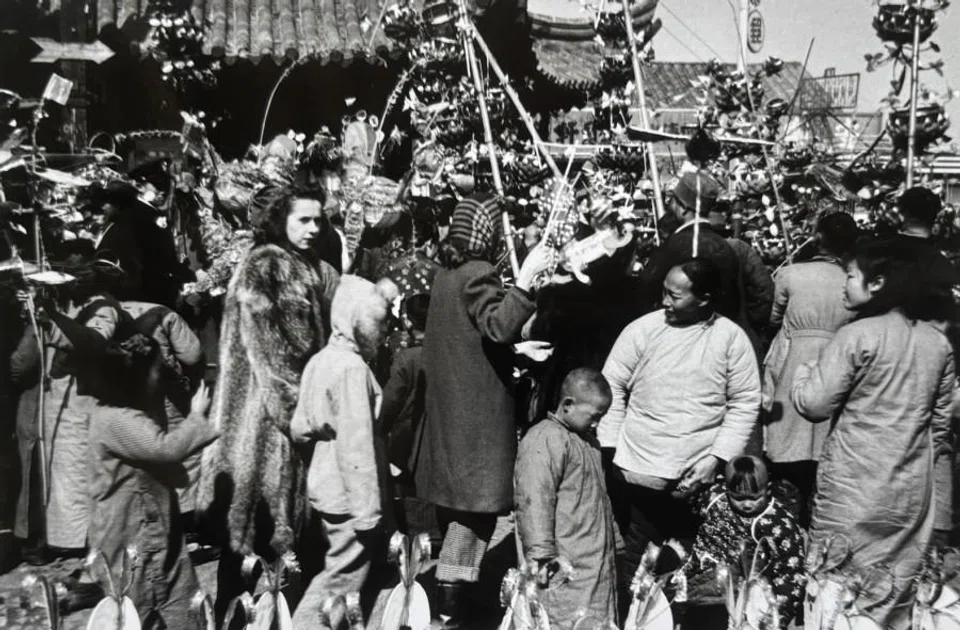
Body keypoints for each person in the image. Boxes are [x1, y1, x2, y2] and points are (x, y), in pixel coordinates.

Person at [792, 239, 955, 629]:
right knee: (891, 601)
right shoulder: (937, 343)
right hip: (908, 495)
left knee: (835, 594)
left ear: (877, 282)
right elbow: (940, 431)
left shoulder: (858, 336)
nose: (843, 284)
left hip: (852, 488)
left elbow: (814, 404)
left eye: (850, 275)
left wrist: (803, 374)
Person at [413, 193, 558, 629]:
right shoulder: (479, 272)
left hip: (452, 411)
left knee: (461, 510)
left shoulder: (446, 273)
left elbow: (471, 337)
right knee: (471, 517)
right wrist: (527, 279)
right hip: (474, 419)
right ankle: (451, 611)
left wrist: (514, 351)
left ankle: (453, 603)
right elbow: (497, 323)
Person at [196, 187, 341, 621]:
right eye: (303, 220)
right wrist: (306, 419)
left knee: (254, 543)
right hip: (264, 427)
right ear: (281, 221)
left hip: (265, 423)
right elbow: (277, 359)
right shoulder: (271, 265)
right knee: (261, 540)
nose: (314, 229)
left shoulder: (301, 264)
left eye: (319, 220)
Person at [598, 259, 760, 597]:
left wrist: (716, 459)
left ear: (703, 298)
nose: (666, 303)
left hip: (699, 480)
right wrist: (613, 449)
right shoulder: (642, 330)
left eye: (675, 296)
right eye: (664, 294)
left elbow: (745, 402)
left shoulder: (730, 338)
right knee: (634, 569)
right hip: (639, 473)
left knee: (692, 572)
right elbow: (611, 385)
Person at [88, 336, 219, 628]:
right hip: (140, 541)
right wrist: (197, 417)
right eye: (158, 370)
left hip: (152, 532)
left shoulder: (115, 414)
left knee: (180, 598)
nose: (163, 376)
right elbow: (165, 449)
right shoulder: (118, 420)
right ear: (135, 380)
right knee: (148, 605)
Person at [290, 275, 396, 630]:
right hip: (350, 496)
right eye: (379, 324)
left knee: (336, 574)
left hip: (326, 486)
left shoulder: (322, 360)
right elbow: (356, 447)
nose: (383, 333)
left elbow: (300, 427)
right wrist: (368, 512)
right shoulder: (351, 370)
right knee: (340, 583)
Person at [12, 257, 126, 563]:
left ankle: (85, 540)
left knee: (80, 472)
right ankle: (64, 538)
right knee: (62, 473)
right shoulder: (68, 303)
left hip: (85, 399)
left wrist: (50, 315)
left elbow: (91, 343)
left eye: (77, 275)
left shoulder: (104, 306)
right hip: (59, 401)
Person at [762, 211, 858, 527]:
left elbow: (774, 318)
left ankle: (786, 515)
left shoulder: (790, 274)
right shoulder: (853, 282)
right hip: (836, 357)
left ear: (817, 238)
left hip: (792, 356)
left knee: (787, 435)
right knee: (825, 436)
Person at [515, 368, 617, 628]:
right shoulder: (544, 438)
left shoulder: (589, 443)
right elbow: (534, 498)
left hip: (594, 559)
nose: (597, 424)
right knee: (563, 618)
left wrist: (615, 540)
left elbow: (601, 497)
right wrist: (540, 553)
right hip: (563, 563)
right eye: (594, 416)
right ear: (568, 405)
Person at [682, 456, 805, 630]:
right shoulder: (715, 500)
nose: (747, 504)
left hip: (753, 594)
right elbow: (693, 507)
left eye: (755, 498)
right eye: (738, 498)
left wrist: (776, 616)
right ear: (726, 489)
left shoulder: (778, 523)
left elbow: (790, 572)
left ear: (768, 489)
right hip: (710, 587)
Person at [120, 301, 205, 517]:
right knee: (183, 449)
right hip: (165, 393)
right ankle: (184, 511)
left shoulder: (103, 307)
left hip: (122, 393)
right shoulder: (162, 313)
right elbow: (192, 354)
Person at [640, 171, 744, 327]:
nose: (670, 204)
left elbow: (646, 292)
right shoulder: (724, 246)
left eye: (673, 200)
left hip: (677, 334)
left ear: (683, 208)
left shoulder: (674, 245)